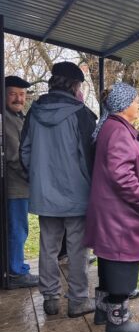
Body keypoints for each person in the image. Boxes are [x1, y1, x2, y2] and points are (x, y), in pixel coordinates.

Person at [20, 62, 96, 317]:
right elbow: (90, 157)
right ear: (75, 86)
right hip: (77, 194)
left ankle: (50, 299)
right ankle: (78, 300)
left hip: (45, 193)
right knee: (77, 249)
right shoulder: (81, 114)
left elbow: (25, 152)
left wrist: (40, 179)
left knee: (48, 247)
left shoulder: (34, 111)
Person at [84, 82, 139, 332]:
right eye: (136, 100)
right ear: (125, 105)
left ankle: (103, 311)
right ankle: (118, 322)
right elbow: (121, 174)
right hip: (120, 213)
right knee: (122, 263)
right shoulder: (118, 131)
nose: (138, 105)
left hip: (111, 211)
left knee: (110, 260)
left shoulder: (112, 126)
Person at [4, 76, 39, 289]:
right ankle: (16, 272)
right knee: (17, 229)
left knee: (19, 228)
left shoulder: (18, 116)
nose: (19, 98)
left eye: (22, 94)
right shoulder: (7, 120)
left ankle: (16, 268)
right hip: (15, 186)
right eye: (13, 93)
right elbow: (14, 156)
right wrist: (33, 175)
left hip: (21, 185)